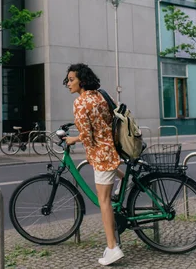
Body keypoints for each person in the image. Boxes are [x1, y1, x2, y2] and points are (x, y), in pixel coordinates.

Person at [63, 63, 125, 266]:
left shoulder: (81, 103)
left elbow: (88, 136)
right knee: (113, 177)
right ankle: (129, 182)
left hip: (102, 154)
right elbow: (110, 119)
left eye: (71, 79)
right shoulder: (101, 95)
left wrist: (73, 139)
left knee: (104, 201)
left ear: (81, 80)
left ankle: (112, 247)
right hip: (113, 148)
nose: (68, 83)